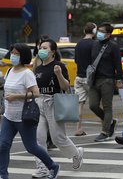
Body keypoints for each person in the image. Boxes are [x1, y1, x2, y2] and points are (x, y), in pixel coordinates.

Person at [0, 43, 60, 179]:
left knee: (31, 147)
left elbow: (36, 93)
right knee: (2, 145)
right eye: (12, 53)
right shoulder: (9, 71)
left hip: (24, 117)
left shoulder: (27, 73)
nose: (13, 56)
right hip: (9, 117)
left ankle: (52, 166)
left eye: (16, 53)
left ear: (23, 56)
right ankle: (3, 175)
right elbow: (6, 92)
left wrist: (17, 96)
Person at [33, 39, 84, 178]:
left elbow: (66, 87)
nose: (41, 50)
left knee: (57, 138)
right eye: (40, 47)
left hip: (54, 103)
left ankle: (76, 154)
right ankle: (42, 168)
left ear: (53, 51)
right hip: (39, 103)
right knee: (38, 138)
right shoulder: (37, 69)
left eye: (44, 48)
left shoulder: (59, 65)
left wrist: (58, 74)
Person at [89, 22, 123, 142]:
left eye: (102, 31)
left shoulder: (113, 46)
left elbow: (118, 64)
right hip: (94, 80)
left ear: (108, 34)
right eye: (98, 30)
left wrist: (119, 79)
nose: (99, 33)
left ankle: (105, 132)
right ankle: (110, 122)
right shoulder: (94, 44)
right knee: (92, 105)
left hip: (107, 79)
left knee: (107, 106)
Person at [74, 22, 97, 136]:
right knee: (98, 103)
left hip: (79, 77)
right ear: (94, 31)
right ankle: (105, 127)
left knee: (80, 104)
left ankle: (78, 128)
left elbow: (76, 60)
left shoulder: (78, 44)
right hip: (91, 78)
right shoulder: (95, 44)